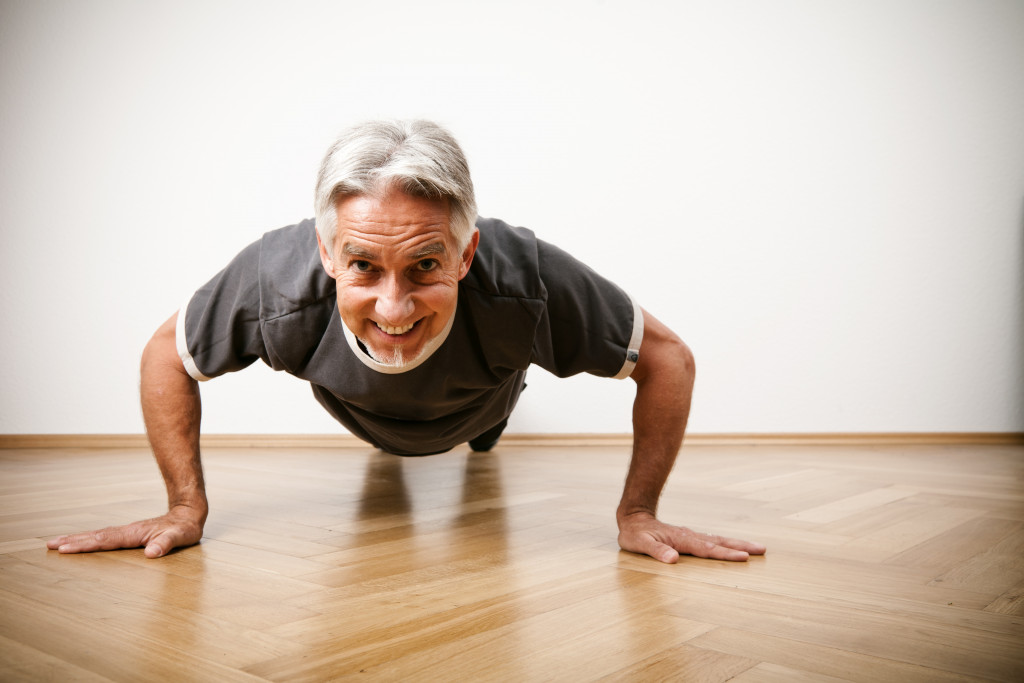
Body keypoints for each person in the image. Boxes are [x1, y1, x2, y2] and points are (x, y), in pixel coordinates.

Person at [48, 120, 766, 564]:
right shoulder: (275, 283)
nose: (393, 305)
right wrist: (184, 508)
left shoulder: (527, 282)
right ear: (328, 254)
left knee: (484, 428)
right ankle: (394, 440)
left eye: (425, 264)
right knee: (386, 441)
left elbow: (667, 357)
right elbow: (164, 353)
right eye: (363, 265)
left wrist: (637, 512)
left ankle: (492, 428)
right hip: (360, 411)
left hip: (481, 402)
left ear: (466, 253)